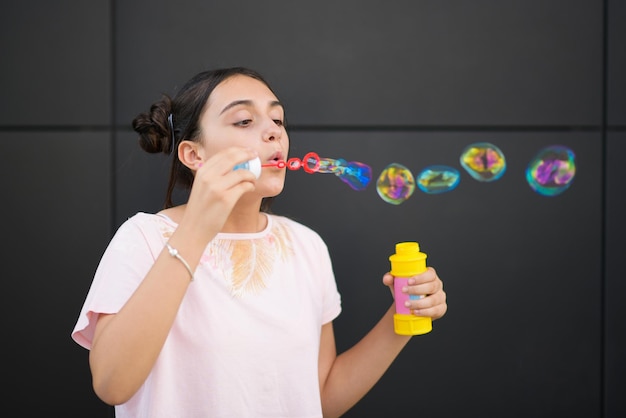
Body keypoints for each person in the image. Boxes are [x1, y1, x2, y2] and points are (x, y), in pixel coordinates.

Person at [71, 66, 447, 418]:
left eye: (278, 119)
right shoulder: (143, 239)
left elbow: (321, 397)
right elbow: (112, 383)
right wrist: (198, 229)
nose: (273, 132)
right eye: (244, 120)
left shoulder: (305, 245)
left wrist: (403, 318)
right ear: (193, 155)